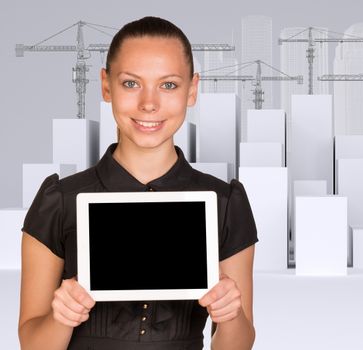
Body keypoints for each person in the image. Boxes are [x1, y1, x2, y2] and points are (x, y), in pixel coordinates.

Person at [18, 16, 258, 350]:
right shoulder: (58, 201)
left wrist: (230, 314)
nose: (149, 103)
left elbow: (238, 343)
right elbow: (32, 345)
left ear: (192, 90)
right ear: (106, 86)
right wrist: (61, 317)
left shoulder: (225, 203)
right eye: (131, 83)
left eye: (169, 85)